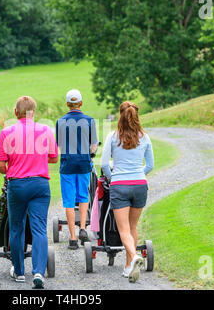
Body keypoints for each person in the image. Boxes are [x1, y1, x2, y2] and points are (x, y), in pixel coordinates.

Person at [0, 96, 58, 289]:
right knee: (39, 228)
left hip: (18, 185)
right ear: (34, 112)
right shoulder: (46, 131)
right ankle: (38, 271)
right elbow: (54, 158)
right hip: (40, 184)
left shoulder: (7, 132)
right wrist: (35, 161)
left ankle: (19, 272)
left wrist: (12, 170)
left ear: (16, 112)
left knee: (16, 227)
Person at [100, 101, 154, 283]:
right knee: (133, 227)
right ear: (136, 116)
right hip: (140, 185)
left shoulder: (113, 137)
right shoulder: (144, 137)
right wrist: (139, 175)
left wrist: (112, 177)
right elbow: (151, 165)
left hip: (120, 185)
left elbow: (103, 164)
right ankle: (128, 266)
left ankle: (134, 255)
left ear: (120, 115)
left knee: (123, 230)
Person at [56, 89, 98, 250]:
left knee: (68, 200)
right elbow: (93, 146)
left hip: (67, 164)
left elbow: (59, 145)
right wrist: (91, 153)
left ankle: (72, 238)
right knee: (83, 196)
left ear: (67, 104)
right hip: (83, 163)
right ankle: (82, 228)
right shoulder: (89, 121)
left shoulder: (60, 122)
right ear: (81, 103)